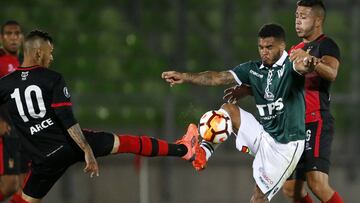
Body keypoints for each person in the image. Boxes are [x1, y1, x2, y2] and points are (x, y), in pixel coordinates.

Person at [0, 30, 199, 203]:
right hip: (69, 146)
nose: (51, 58)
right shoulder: (52, 78)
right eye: (49, 53)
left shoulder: (5, 84)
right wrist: (86, 149)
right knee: (127, 143)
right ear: (37, 52)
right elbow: (66, 118)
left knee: (23, 201)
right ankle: (184, 149)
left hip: (43, 160)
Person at [162, 23, 316, 202]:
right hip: (264, 135)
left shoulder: (291, 65)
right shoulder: (253, 69)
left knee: (258, 198)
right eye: (260, 47)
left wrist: (309, 61)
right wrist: (185, 77)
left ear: (282, 46)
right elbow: (218, 77)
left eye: (269, 47)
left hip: (285, 147)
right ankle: (203, 153)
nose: (264, 52)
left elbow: (306, 66)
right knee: (228, 110)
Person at [281, 1, 343, 202]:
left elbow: (332, 72)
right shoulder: (295, 49)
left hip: (316, 120)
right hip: (295, 125)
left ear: (317, 20)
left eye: (304, 16)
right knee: (291, 189)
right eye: (297, 16)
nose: (298, 21)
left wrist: (310, 60)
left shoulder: (326, 44)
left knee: (316, 182)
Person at [0, 20, 28, 202]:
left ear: (22, 37)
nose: (13, 37)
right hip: (6, 130)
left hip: (24, 131)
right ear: (2, 38)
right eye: (8, 34)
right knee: (10, 184)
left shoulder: (25, 62)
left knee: (24, 186)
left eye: (16, 33)